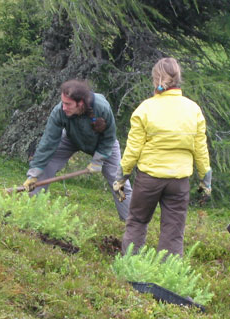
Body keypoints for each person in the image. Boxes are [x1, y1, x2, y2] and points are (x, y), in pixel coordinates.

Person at [113, 57, 211, 256]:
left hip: (149, 178)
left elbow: (133, 149)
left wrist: (122, 176)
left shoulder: (145, 109)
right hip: (179, 181)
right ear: (178, 78)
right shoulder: (193, 109)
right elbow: (200, 149)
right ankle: (168, 277)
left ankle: (130, 269)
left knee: (137, 222)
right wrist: (205, 180)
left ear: (155, 78)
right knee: (173, 231)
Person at [22, 79, 132, 221]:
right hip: (71, 138)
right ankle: (31, 211)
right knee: (45, 166)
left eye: (68, 104)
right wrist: (34, 173)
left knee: (120, 184)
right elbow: (48, 142)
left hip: (104, 145)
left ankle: (131, 224)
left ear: (80, 103)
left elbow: (109, 137)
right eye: (63, 103)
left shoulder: (102, 107)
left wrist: (98, 160)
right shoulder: (59, 111)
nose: (64, 107)